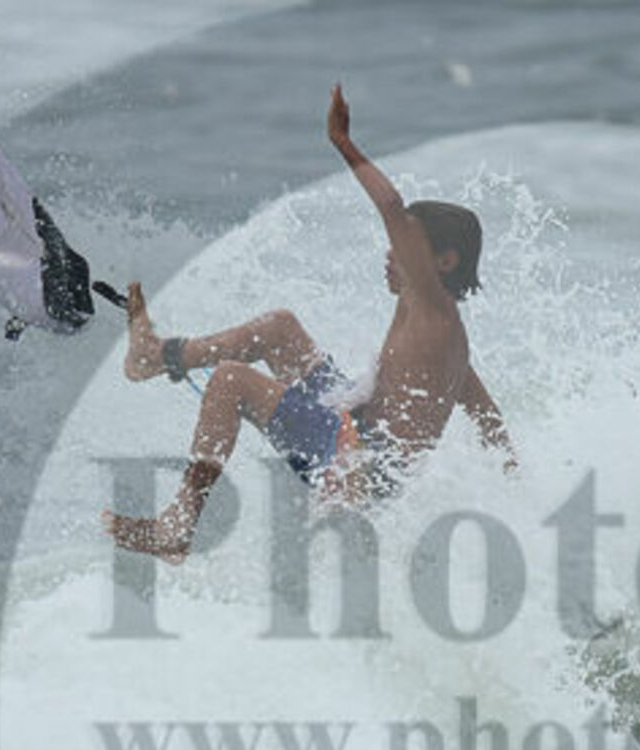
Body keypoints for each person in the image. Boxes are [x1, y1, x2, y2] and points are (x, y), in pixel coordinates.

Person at [102, 84, 516, 564]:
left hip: (358, 462)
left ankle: (176, 528)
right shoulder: (441, 335)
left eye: (405, 247)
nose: (391, 254)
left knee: (230, 381)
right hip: (353, 416)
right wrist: (514, 482)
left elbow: (391, 208)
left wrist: (343, 142)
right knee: (279, 328)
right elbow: (487, 415)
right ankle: (154, 357)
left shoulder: (433, 310)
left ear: (443, 262)